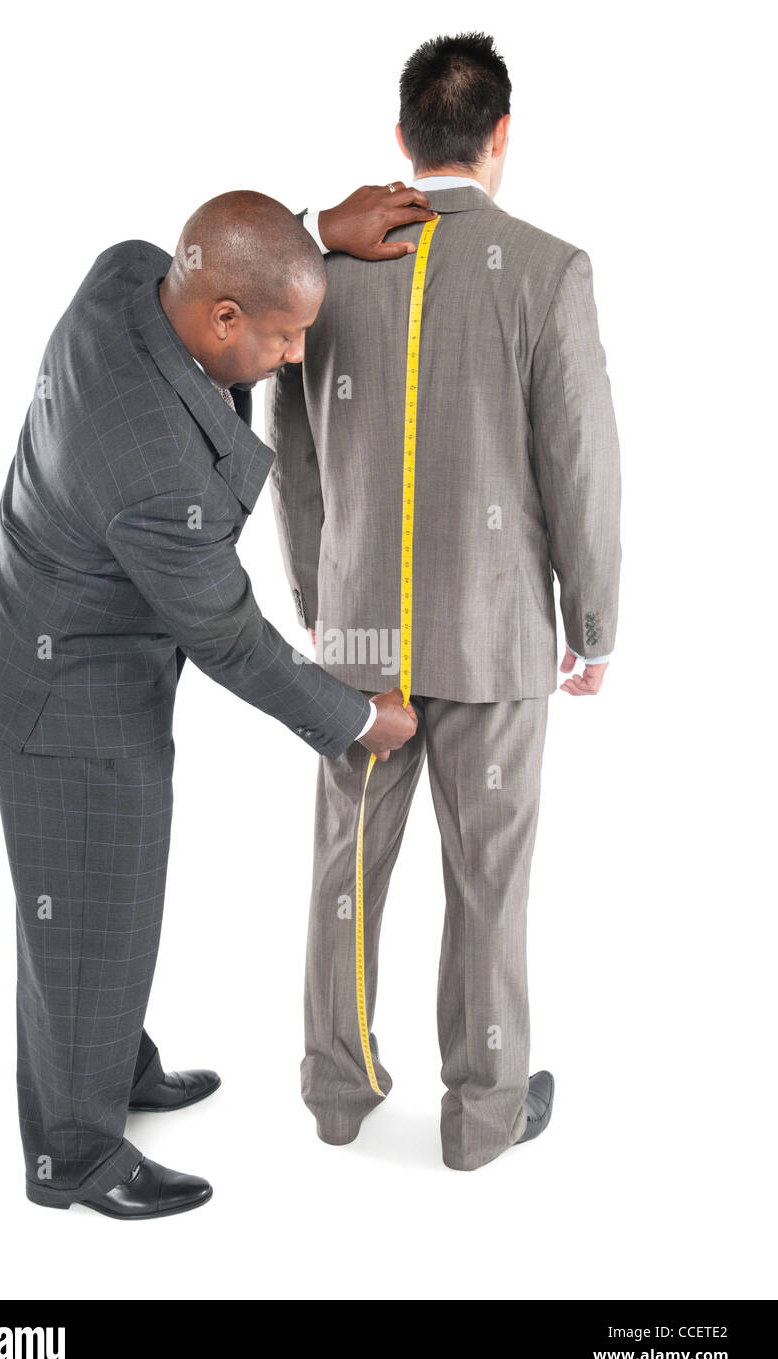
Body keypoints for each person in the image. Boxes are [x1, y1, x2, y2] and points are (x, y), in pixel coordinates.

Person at [0, 185, 431, 1218]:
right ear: (223, 320)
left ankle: (113, 1066)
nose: (296, 357)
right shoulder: (150, 467)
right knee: (81, 918)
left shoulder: (128, 272)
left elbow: (230, 255)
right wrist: (355, 720)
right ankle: (75, 1156)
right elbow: (229, 635)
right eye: (285, 335)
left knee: (109, 900)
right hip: (64, 700)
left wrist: (312, 236)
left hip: (75, 651)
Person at [267, 32, 622, 1170]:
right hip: (497, 629)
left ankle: (335, 1090)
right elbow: (582, 461)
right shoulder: (550, 267)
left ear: (403, 142)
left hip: (361, 628)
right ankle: (479, 1114)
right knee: (489, 881)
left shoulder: (327, 269)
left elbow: (296, 451)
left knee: (347, 866)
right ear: (500, 138)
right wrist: (595, 623)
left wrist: (319, 596)